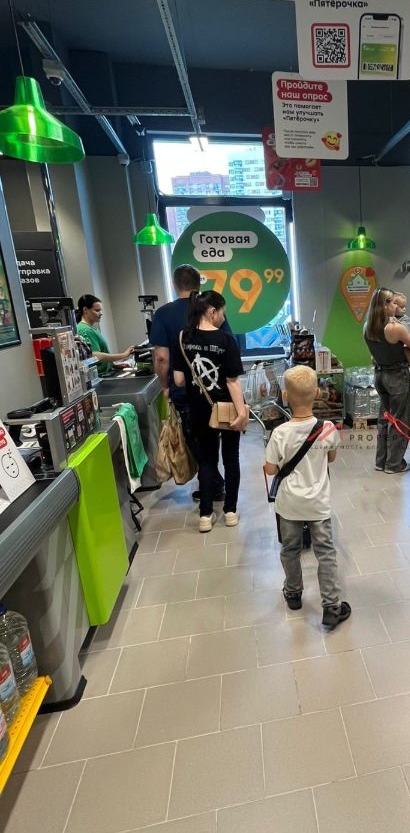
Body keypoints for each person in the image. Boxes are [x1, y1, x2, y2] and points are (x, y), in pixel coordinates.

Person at [263, 366, 351, 630]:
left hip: (289, 505)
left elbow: (270, 469)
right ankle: (331, 606)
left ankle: (293, 593)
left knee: (290, 549)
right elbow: (331, 458)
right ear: (316, 393)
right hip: (318, 504)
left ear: (285, 396)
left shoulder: (280, 432)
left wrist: (273, 464)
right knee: (325, 553)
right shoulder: (328, 428)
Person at [151, 264, 233, 503]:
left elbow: (161, 358)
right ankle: (218, 486)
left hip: (185, 391)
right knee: (218, 441)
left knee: (196, 441)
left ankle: (213, 485)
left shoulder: (164, 314)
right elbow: (227, 344)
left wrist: (164, 386)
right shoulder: (210, 309)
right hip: (215, 389)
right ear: (199, 283)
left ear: (175, 284)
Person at [172, 291, 248, 532]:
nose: (224, 317)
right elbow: (232, 382)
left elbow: (179, 380)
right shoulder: (226, 340)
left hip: (199, 409)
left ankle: (205, 515)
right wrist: (242, 413)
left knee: (207, 460)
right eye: (223, 312)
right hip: (227, 408)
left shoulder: (183, 338)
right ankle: (230, 512)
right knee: (231, 458)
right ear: (212, 311)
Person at [364, 288, 410, 474]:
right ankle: (394, 464)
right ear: (384, 305)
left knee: (384, 418)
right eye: (393, 302)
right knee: (400, 420)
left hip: (380, 375)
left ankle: (381, 461)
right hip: (397, 376)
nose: (396, 305)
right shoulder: (395, 328)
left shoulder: (368, 327)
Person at [75, 295, 133, 376]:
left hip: (106, 373)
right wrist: (123, 355)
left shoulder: (91, 328)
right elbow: (96, 356)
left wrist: (112, 364)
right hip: (100, 376)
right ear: (85, 310)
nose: (100, 313)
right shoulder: (85, 330)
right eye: (97, 310)